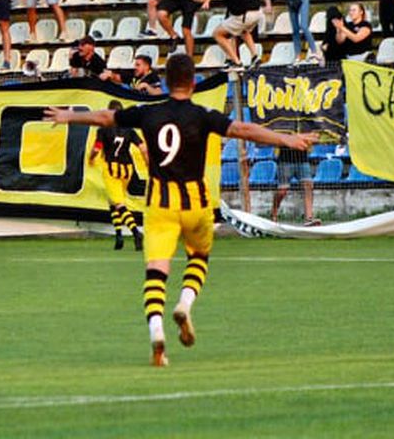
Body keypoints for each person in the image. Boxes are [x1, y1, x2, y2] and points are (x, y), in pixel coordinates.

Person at [47, 53, 316, 367]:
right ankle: (185, 304)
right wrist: (286, 138)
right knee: (199, 257)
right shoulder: (202, 114)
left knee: (156, 272)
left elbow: (106, 118)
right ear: (192, 82)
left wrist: (69, 117)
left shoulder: (149, 113)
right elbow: (243, 130)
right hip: (195, 202)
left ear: (164, 81)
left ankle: (157, 333)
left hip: (159, 203)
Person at [89, 101, 147, 251]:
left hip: (111, 168)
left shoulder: (104, 129)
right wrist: (148, 163)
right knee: (112, 201)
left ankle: (135, 232)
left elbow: (97, 148)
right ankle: (119, 235)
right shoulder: (130, 130)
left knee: (119, 203)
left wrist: (90, 157)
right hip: (127, 169)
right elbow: (143, 148)